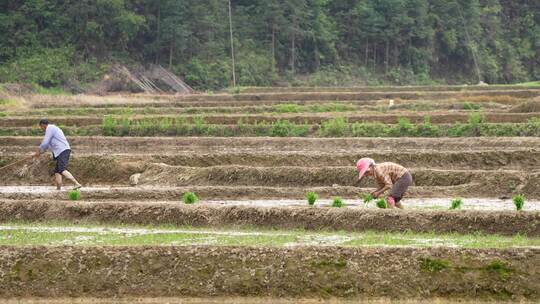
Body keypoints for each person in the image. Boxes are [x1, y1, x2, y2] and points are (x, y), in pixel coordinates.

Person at [34, 119, 81, 190]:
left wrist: (38, 150)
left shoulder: (50, 128)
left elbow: (45, 142)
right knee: (57, 171)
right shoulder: (51, 133)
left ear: (43, 125)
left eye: (41, 127)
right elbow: (47, 147)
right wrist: (38, 153)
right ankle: (58, 188)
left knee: (62, 169)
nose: (42, 129)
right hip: (59, 152)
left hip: (63, 150)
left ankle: (76, 183)